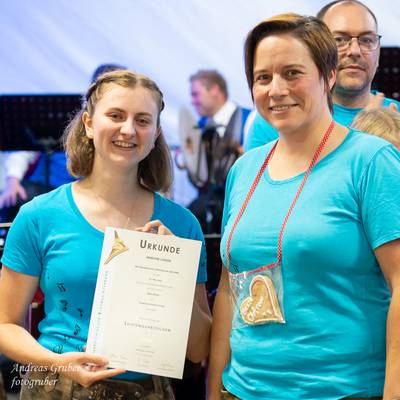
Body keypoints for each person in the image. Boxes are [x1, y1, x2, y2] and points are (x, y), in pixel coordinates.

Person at [208, 13, 400, 400]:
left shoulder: (371, 161)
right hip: (242, 389)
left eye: (292, 73)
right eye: (263, 77)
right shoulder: (245, 169)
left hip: (341, 389)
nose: (276, 90)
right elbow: (229, 288)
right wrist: (214, 386)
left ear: (328, 75)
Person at [0, 70, 211, 399]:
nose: (128, 129)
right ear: (88, 123)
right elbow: (5, 326)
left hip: (148, 391)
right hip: (55, 386)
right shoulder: (39, 215)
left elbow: (198, 349)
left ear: (156, 132)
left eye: (143, 120)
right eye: (116, 115)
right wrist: (58, 362)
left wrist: (173, 277)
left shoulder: (182, 225)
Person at [245, 0, 400, 151]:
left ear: (378, 52)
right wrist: (366, 135)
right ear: (317, 50)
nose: (355, 51)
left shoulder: (396, 115)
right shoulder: (277, 116)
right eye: (339, 40)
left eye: (367, 40)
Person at [185, 69, 251, 233]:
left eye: (195, 94)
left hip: (242, 216)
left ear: (214, 90)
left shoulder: (250, 121)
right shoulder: (198, 128)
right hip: (206, 219)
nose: (193, 101)